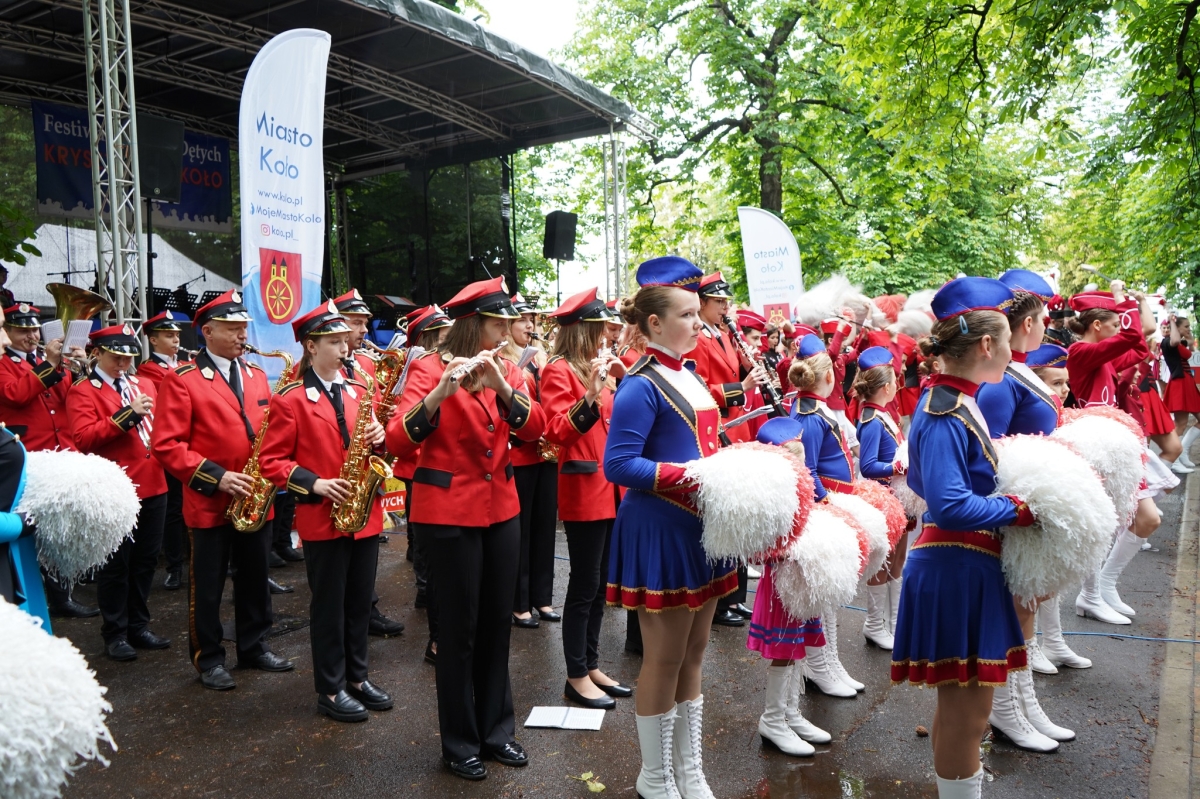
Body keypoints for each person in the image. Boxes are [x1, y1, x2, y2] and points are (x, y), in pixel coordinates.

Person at [387, 276, 545, 781]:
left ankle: (497, 732)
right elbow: (397, 440)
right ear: (474, 323)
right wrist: (438, 393)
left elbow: (536, 428)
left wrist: (500, 385)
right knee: (458, 631)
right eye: (498, 324)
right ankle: (459, 742)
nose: (508, 332)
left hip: (501, 509)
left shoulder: (508, 371)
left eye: (508, 323)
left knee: (498, 623)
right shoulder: (429, 367)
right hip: (447, 513)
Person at [890, 276, 1037, 799]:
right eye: (1007, 338)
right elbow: (951, 504)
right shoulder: (945, 408)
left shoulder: (953, 398)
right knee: (965, 716)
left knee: (967, 712)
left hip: (962, 563)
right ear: (986, 345)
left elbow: (932, 486)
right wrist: (1022, 509)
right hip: (956, 565)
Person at [604, 257, 738, 799]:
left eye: (696, 313)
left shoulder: (689, 374)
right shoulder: (640, 384)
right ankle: (653, 775)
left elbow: (710, 444)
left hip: (702, 528)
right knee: (663, 657)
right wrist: (694, 475)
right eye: (686, 315)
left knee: (696, 653)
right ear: (654, 323)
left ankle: (689, 768)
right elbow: (619, 465)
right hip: (661, 528)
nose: (698, 323)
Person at [151, 289, 295, 690]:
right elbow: (166, 445)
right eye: (232, 329)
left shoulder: (252, 373)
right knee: (209, 585)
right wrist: (218, 477)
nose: (241, 336)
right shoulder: (181, 379)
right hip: (211, 500)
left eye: (243, 329)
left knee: (254, 575)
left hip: (255, 496)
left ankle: (254, 646)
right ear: (207, 332)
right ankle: (209, 657)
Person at [258, 301, 391, 723]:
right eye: (334, 341)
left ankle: (357, 676)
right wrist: (315, 483)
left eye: (343, 340)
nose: (344, 347)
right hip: (322, 516)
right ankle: (330, 688)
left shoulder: (359, 389)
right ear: (310, 347)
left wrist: (380, 435)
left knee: (358, 602)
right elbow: (271, 462)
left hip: (362, 514)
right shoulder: (290, 399)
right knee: (329, 605)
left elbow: (376, 447)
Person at [974, 270, 1076, 753]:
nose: (1049, 324)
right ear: (1028, 324)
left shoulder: (1022, 369)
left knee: (1028, 608)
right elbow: (990, 454)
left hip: (1033, 507)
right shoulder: (1000, 381)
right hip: (1013, 511)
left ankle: (1025, 703)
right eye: (1044, 317)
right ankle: (1006, 708)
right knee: (1016, 612)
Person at [540, 287, 629, 711]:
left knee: (598, 587)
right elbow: (557, 430)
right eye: (599, 330)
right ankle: (575, 675)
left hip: (609, 486)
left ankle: (591, 665)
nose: (606, 338)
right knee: (582, 584)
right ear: (581, 332)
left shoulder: (596, 366)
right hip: (582, 487)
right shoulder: (558, 370)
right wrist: (591, 394)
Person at [68, 324, 171, 661]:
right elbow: (83, 439)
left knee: (144, 563)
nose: (124, 363)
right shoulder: (84, 389)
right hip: (115, 488)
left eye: (128, 356)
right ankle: (115, 633)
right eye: (116, 357)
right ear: (97, 353)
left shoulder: (143, 383)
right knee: (116, 566)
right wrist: (126, 415)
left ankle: (138, 626)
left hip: (154, 483)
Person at [1066, 284, 1161, 626]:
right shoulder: (1079, 352)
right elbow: (1131, 336)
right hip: (1094, 445)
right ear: (1097, 326)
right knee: (1105, 525)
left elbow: (1137, 343)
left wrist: (1135, 303)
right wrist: (1123, 299)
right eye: (1112, 323)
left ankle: (1103, 586)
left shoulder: (1101, 356)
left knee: (1145, 519)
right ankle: (1090, 596)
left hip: (1113, 444)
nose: (1116, 327)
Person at [0, 302, 96, 619]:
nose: (29, 335)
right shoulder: (3, 364)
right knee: (35, 526)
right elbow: (15, 394)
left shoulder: (48, 362)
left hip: (61, 448)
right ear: (8, 332)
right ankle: (52, 595)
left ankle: (63, 590)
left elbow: (71, 398)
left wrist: (80, 368)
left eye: (32, 329)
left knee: (59, 525)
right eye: (21, 330)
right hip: (29, 453)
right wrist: (51, 365)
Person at [749, 416, 832, 758]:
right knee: (785, 651)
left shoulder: (801, 486)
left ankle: (790, 712)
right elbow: (760, 549)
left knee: (798, 648)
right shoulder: (768, 495)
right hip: (782, 582)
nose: (803, 468)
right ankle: (772, 719)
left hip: (800, 578)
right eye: (795, 460)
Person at [786, 334, 862, 699]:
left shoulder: (815, 409)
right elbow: (809, 469)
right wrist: (830, 499)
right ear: (827, 377)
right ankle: (819, 665)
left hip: (833, 504)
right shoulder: (808, 415)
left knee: (829, 592)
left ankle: (830, 660)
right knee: (820, 591)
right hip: (823, 509)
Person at [690, 272, 764, 627]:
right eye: (719, 302)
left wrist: (752, 366)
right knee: (725, 512)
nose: (725, 308)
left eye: (725, 302)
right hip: (720, 426)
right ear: (702, 302)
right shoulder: (698, 339)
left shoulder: (722, 333)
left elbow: (736, 369)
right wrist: (741, 385)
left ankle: (735, 596)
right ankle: (722, 600)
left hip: (740, 424)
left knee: (739, 513)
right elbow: (699, 386)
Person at [332, 288, 405, 638]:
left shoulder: (365, 364)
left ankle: (367, 609)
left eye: (364, 323)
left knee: (366, 555)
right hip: (337, 474)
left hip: (366, 465)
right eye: (356, 323)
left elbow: (372, 408)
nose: (364, 330)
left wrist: (384, 419)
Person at [393, 304, 452, 665]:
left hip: (432, 465)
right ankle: (423, 588)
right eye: (441, 334)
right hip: (416, 462)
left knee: (425, 537)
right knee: (422, 537)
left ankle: (426, 586)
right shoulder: (420, 364)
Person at [504, 295, 559, 629]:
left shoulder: (542, 356)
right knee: (520, 531)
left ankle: (543, 596)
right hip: (520, 452)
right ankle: (518, 601)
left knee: (544, 527)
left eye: (533, 320)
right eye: (523, 319)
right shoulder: (505, 359)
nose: (530, 326)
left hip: (545, 451)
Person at [854, 346, 908, 650]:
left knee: (898, 558)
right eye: (895, 383)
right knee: (883, 561)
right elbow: (868, 466)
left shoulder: (884, 414)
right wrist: (899, 466)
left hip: (899, 495)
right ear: (886, 387)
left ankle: (895, 621)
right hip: (885, 497)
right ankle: (874, 624)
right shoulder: (872, 419)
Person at [137, 310, 189, 591]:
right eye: (169, 335)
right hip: (169, 444)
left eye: (177, 335)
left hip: (190, 442)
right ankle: (174, 566)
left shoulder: (183, 364)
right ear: (153, 340)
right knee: (174, 510)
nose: (176, 339)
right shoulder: (148, 370)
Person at [1162, 314, 1200, 470]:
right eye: (1186, 326)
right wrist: (1172, 321)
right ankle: (1174, 459)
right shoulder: (1169, 342)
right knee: (1181, 424)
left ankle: (1182, 452)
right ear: (1177, 328)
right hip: (1180, 384)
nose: (1188, 329)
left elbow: (1191, 345)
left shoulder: (1178, 342)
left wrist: (1188, 333)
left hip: (1187, 382)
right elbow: (1177, 341)